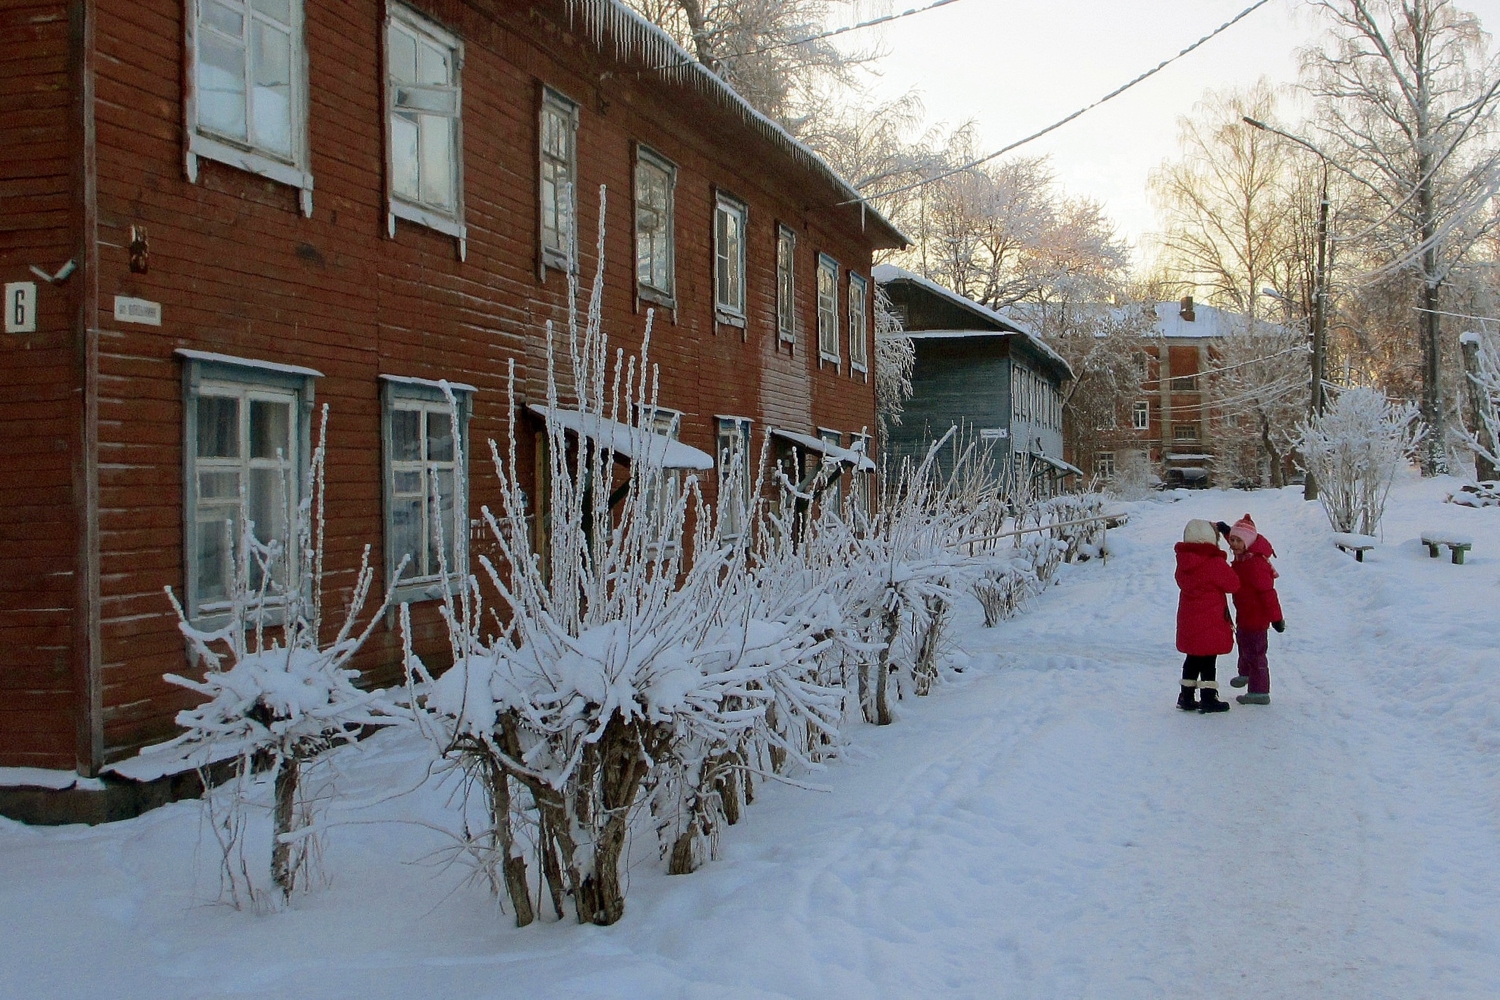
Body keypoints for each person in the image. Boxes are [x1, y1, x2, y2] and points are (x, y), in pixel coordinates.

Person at [1213, 514, 1284, 706]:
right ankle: (1245, 673)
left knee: (1256, 653)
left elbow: (1268, 594)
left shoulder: (1256, 564)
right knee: (1244, 644)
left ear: (1248, 542)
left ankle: (1259, 691)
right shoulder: (1243, 555)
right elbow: (1238, 538)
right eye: (1232, 540)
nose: (1234, 544)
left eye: (1238, 541)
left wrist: (1277, 618)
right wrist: (1226, 530)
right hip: (1244, 614)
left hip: (1257, 618)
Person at [1175, 518, 1240, 713]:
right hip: (1210, 622)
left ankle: (1186, 696)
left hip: (1189, 621)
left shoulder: (1184, 563)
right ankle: (1208, 697)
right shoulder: (1213, 563)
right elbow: (1233, 584)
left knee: (1192, 658)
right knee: (1209, 660)